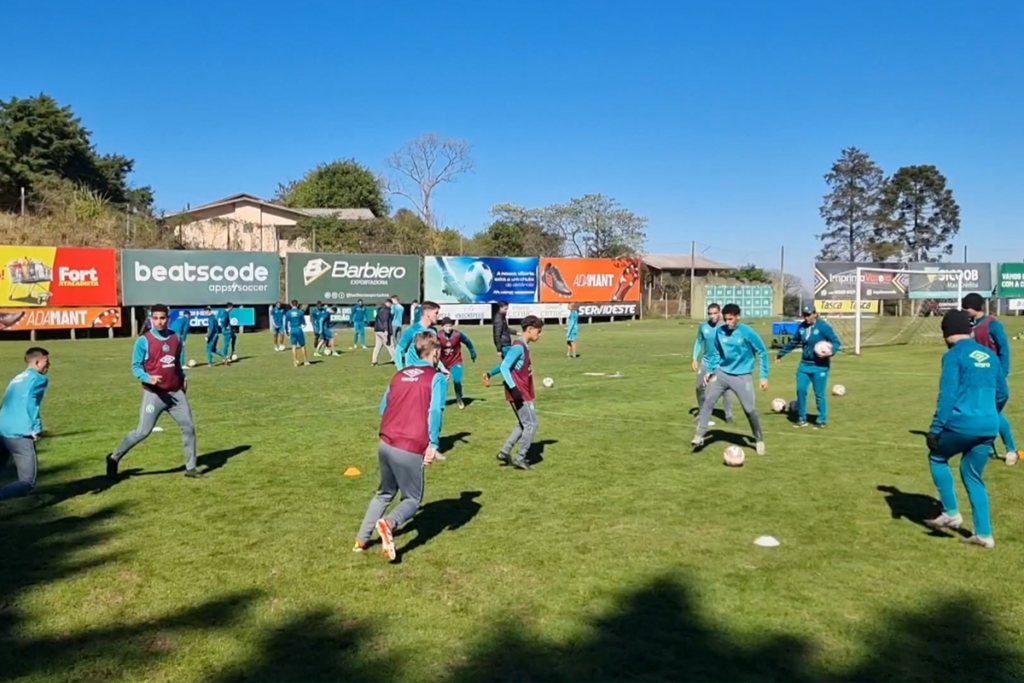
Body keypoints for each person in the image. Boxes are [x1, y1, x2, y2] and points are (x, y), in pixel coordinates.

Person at [354, 333, 448, 562]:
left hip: (386, 442)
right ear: (435, 353)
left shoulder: (398, 375)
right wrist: (433, 444)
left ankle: (361, 540)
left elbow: (383, 407)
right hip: (409, 445)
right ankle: (389, 523)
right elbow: (435, 411)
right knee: (412, 499)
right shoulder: (437, 378)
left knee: (384, 492)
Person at [923, 309, 1007, 548]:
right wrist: (989, 412)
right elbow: (1003, 393)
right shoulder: (990, 355)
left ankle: (950, 512)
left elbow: (947, 395)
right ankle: (984, 534)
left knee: (937, 457)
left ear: (946, 333)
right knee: (973, 475)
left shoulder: (953, 356)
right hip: (989, 425)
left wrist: (936, 428)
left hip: (962, 423)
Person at [106, 305, 202, 479]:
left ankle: (191, 468)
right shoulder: (144, 340)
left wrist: (183, 378)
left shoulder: (175, 338)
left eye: (162, 318)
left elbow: (176, 363)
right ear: (151, 319)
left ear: (168, 318)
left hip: (175, 393)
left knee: (189, 427)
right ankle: (114, 457)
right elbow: (135, 367)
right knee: (142, 432)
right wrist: (147, 377)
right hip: (154, 394)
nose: (159, 322)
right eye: (155, 318)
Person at [691, 303, 769, 455]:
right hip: (722, 374)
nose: (728, 323)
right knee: (708, 402)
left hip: (742, 376)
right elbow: (717, 353)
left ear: (738, 317)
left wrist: (763, 377)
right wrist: (711, 370)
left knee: (750, 410)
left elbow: (763, 352)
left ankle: (759, 439)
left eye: (731, 319)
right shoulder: (720, 331)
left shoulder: (747, 332)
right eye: (726, 319)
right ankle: (699, 435)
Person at [962, 293, 1018, 464]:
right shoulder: (968, 325)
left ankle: (1011, 450)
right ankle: (989, 447)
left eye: (966, 307)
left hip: (993, 376)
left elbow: (1004, 349)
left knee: (993, 412)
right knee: (986, 412)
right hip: (977, 377)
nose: (964, 310)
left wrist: (1002, 373)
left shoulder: (992, 324)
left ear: (974, 307)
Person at [483, 315, 544, 470]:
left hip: (522, 391)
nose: (540, 334)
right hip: (520, 392)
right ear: (530, 329)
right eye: (539, 330)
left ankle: (505, 451)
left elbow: (505, 363)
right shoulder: (518, 347)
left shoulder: (522, 346)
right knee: (531, 424)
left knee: (523, 423)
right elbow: (505, 367)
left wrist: (490, 373)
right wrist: (514, 388)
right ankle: (520, 456)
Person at [775, 303, 842, 428]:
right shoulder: (802, 327)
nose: (806, 318)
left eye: (809, 315)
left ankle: (821, 419)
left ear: (815, 314)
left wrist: (832, 351)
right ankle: (801, 418)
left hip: (820, 365)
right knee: (801, 390)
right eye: (804, 315)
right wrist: (780, 354)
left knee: (819, 393)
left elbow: (836, 341)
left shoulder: (823, 327)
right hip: (804, 365)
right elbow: (793, 342)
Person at [0, 347, 51, 500]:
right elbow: (31, 402)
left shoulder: (18, 377)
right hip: (20, 433)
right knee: (27, 482)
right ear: (37, 362)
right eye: (46, 361)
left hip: (2, 430)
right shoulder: (39, 378)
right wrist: (36, 426)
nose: (49, 364)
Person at [692, 303, 734, 426]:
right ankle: (702, 414)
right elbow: (699, 342)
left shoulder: (725, 327)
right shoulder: (703, 327)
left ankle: (729, 416)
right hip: (706, 361)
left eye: (715, 313)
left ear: (720, 313)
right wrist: (694, 358)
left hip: (721, 364)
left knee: (725, 390)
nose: (712, 316)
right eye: (710, 313)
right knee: (700, 386)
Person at [439, 317, 477, 409]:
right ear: (443, 327)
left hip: (456, 361)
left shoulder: (457, 334)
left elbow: (468, 342)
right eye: (447, 326)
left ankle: (459, 398)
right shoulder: (438, 336)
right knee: (442, 382)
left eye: (450, 326)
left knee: (457, 379)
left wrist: (472, 352)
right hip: (443, 363)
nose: (449, 328)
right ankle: (440, 401)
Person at [395, 301, 441, 370]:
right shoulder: (412, 330)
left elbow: (435, 353)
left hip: (429, 372)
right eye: (436, 313)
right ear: (427, 314)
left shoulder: (434, 331)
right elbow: (399, 350)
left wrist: (441, 368)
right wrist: (401, 369)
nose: (438, 316)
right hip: (413, 373)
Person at [285, 300, 310, 367]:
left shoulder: (288, 313)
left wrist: (287, 331)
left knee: (293, 346)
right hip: (298, 329)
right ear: (298, 304)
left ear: (291, 304)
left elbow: (286, 323)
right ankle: (305, 361)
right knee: (302, 345)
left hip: (292, 329)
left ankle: (295, 361)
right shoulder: (300, 312)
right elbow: (303, 322)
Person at [372, 299, 395, 366]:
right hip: (383, 330)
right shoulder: (386, 310)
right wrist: (386, 330)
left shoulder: (380, 309)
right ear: (389, 303)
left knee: (378, 346)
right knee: (390, 345)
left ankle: (374, 361)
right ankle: (396, 359)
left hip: (377, 329)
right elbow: (385, 321)